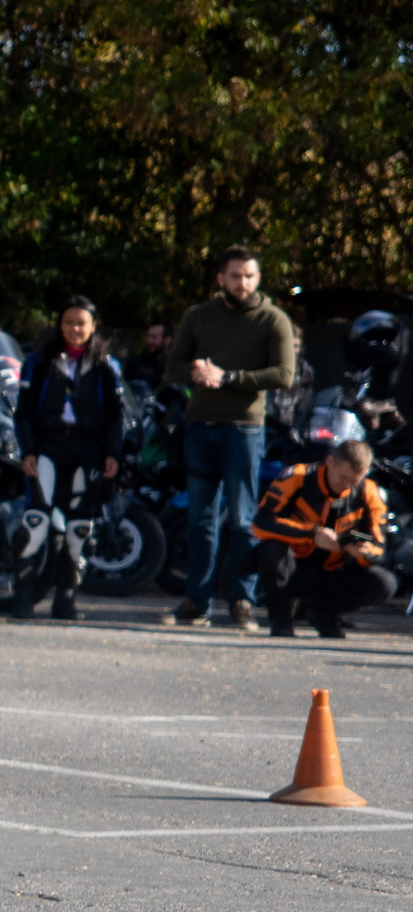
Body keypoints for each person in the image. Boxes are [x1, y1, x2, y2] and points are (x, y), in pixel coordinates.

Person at [166, 245, 298, 630]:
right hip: (199, 426)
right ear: (221, 278)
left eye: (250, 276)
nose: (243, 283)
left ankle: (242, 600)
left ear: (258, 279)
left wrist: (228, 377)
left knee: (242, 520)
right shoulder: (198, 316)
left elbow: (283, 375)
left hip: (244, 429)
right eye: (235, 275)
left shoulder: (273, 319)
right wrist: (196, 371)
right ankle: (196, 601)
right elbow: (171, 367)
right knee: (199, 520)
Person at [10, 296, 125, 621]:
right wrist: (28, 450)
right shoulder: (39, 362)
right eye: (69, 322)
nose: (75, 329)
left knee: (79, 529)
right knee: (36, 523)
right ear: (60, 325)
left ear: (93, 327)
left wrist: (112, 455)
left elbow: (116, 416)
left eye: (81, 323)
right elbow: (24, 412)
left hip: (87, 452)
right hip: (47, 448)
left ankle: (66, 600)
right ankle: (23, 599)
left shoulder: (106, 367)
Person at [252, 441, 394, 637]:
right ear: (330, 462)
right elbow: (261, 523)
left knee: (385, 583)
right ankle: (281, 618)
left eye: (353, 481)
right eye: (342, 477)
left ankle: (324, 613)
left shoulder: (369, 491)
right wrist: (311, 534)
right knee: (271, 549)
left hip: (333, 573)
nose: (346, 485)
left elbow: (378, 544)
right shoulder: (298, 477)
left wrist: (362, 552)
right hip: (293, 567)